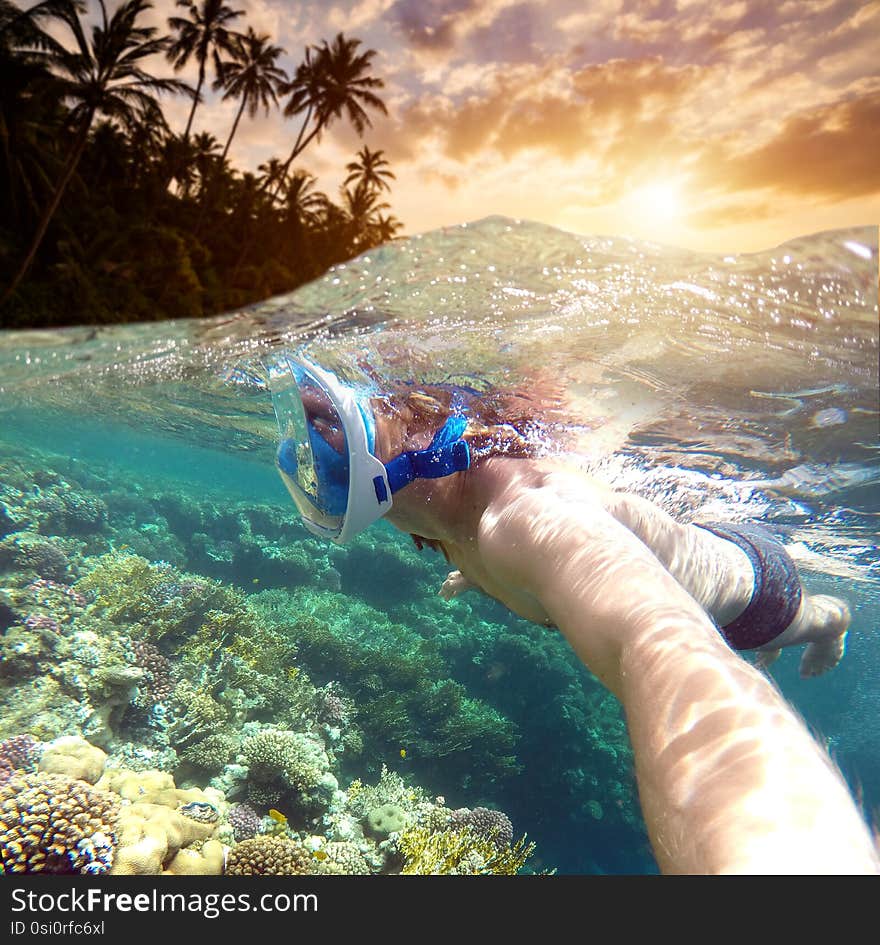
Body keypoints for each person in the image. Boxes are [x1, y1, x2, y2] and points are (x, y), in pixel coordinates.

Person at [268, 354, 880, 874]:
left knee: (803, 621)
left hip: (755, 587)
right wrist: (480, 577)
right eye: (311, 426)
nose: (311, 450)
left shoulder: (531, 517)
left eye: (335, 424)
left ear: (412, 421)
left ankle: (835, 622)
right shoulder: (437, 508)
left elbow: (658, 646)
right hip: (687, 547)